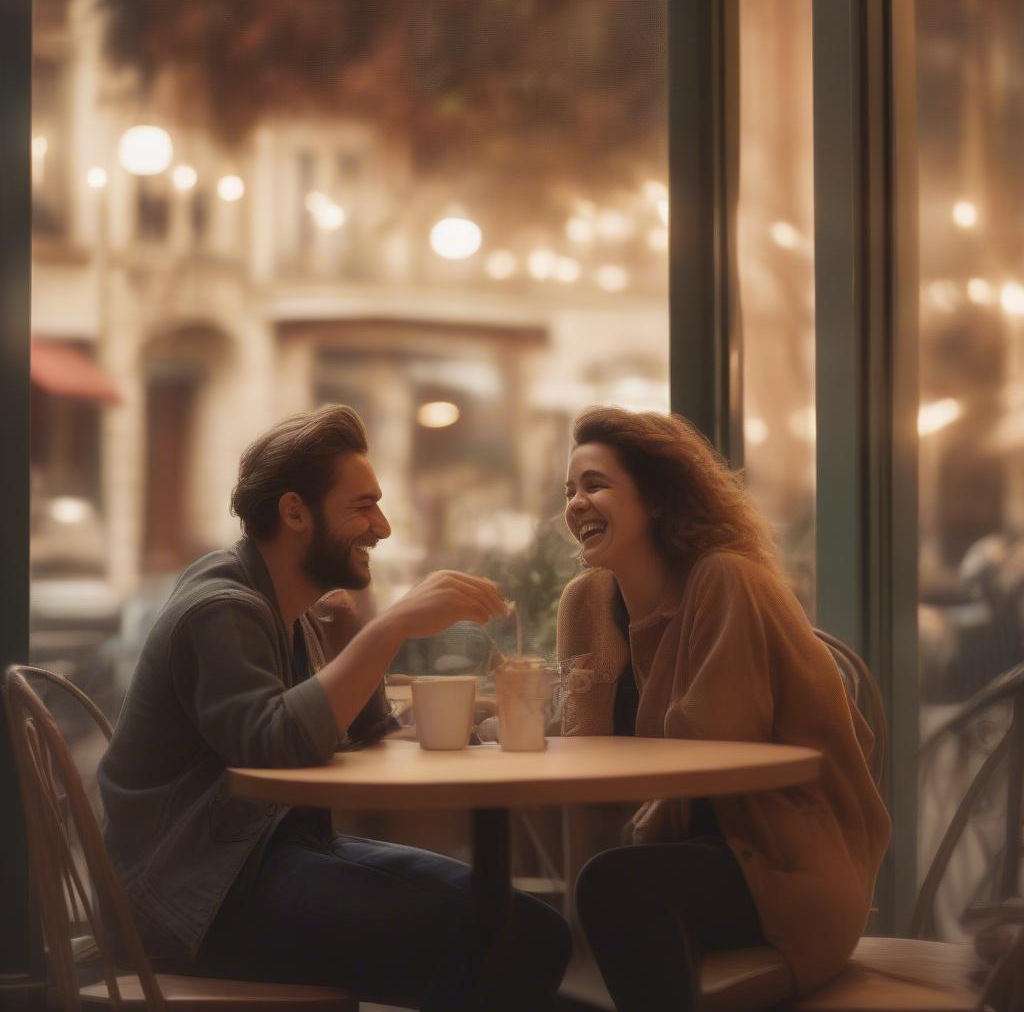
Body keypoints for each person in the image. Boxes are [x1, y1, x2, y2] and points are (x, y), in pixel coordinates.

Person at [98, 404, 570, 1012]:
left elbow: (354, 731)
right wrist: (392, 626)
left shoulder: (286, 608)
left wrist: (373, 642)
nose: (384, 527)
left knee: (520, 929)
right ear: (295, 511)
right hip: (191, 897)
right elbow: (273, 746)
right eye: (362, 506)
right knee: (516, 939)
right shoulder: (223, 607)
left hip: (251, 862)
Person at [557, 406, 890, 1012]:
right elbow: (571, 730)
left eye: (596, 485)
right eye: (570, 490)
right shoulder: (586, 602)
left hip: (781, 866)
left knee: (611, 889)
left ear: (657, 498)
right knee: (529, 920)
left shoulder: (725, 579)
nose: (576, 503)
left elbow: (713, 749)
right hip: (668, 851)